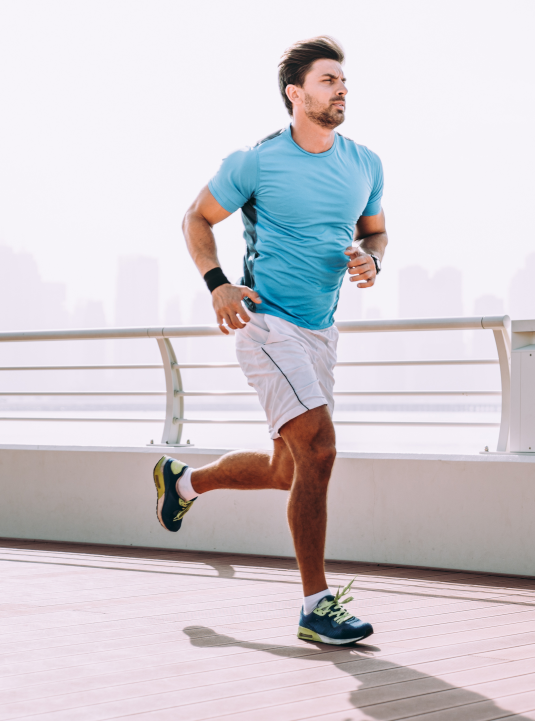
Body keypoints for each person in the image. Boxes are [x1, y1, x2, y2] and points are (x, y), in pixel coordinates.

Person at [151, 36, 386, 645]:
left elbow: (377, 232)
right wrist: (218, 284)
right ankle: (316, 604)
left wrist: (372, 260)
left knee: (291, 468)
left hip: (320, 332)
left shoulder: (365, 164)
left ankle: (182, 483)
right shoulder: (256, 162)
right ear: (296, 93)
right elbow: (195, 218)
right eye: (328, 80)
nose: (341, 89)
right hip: (267, 324)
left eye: (343, 81)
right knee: (322, 449)